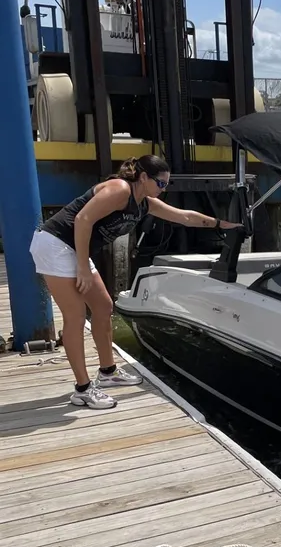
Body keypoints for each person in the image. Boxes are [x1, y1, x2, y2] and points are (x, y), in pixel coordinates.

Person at [29, 155, 239, 410]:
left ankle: (107, 372)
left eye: (166, 185)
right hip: (55, 245)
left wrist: (220, 224)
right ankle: (82, 390)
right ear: (142, 178)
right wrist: (83, 267)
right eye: (161, 184)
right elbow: (83, 219)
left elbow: (184, 217)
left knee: (104, 307)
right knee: (74, 316)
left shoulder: (144, 204)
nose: (164, 190)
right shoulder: (119, 189)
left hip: (75, 249)